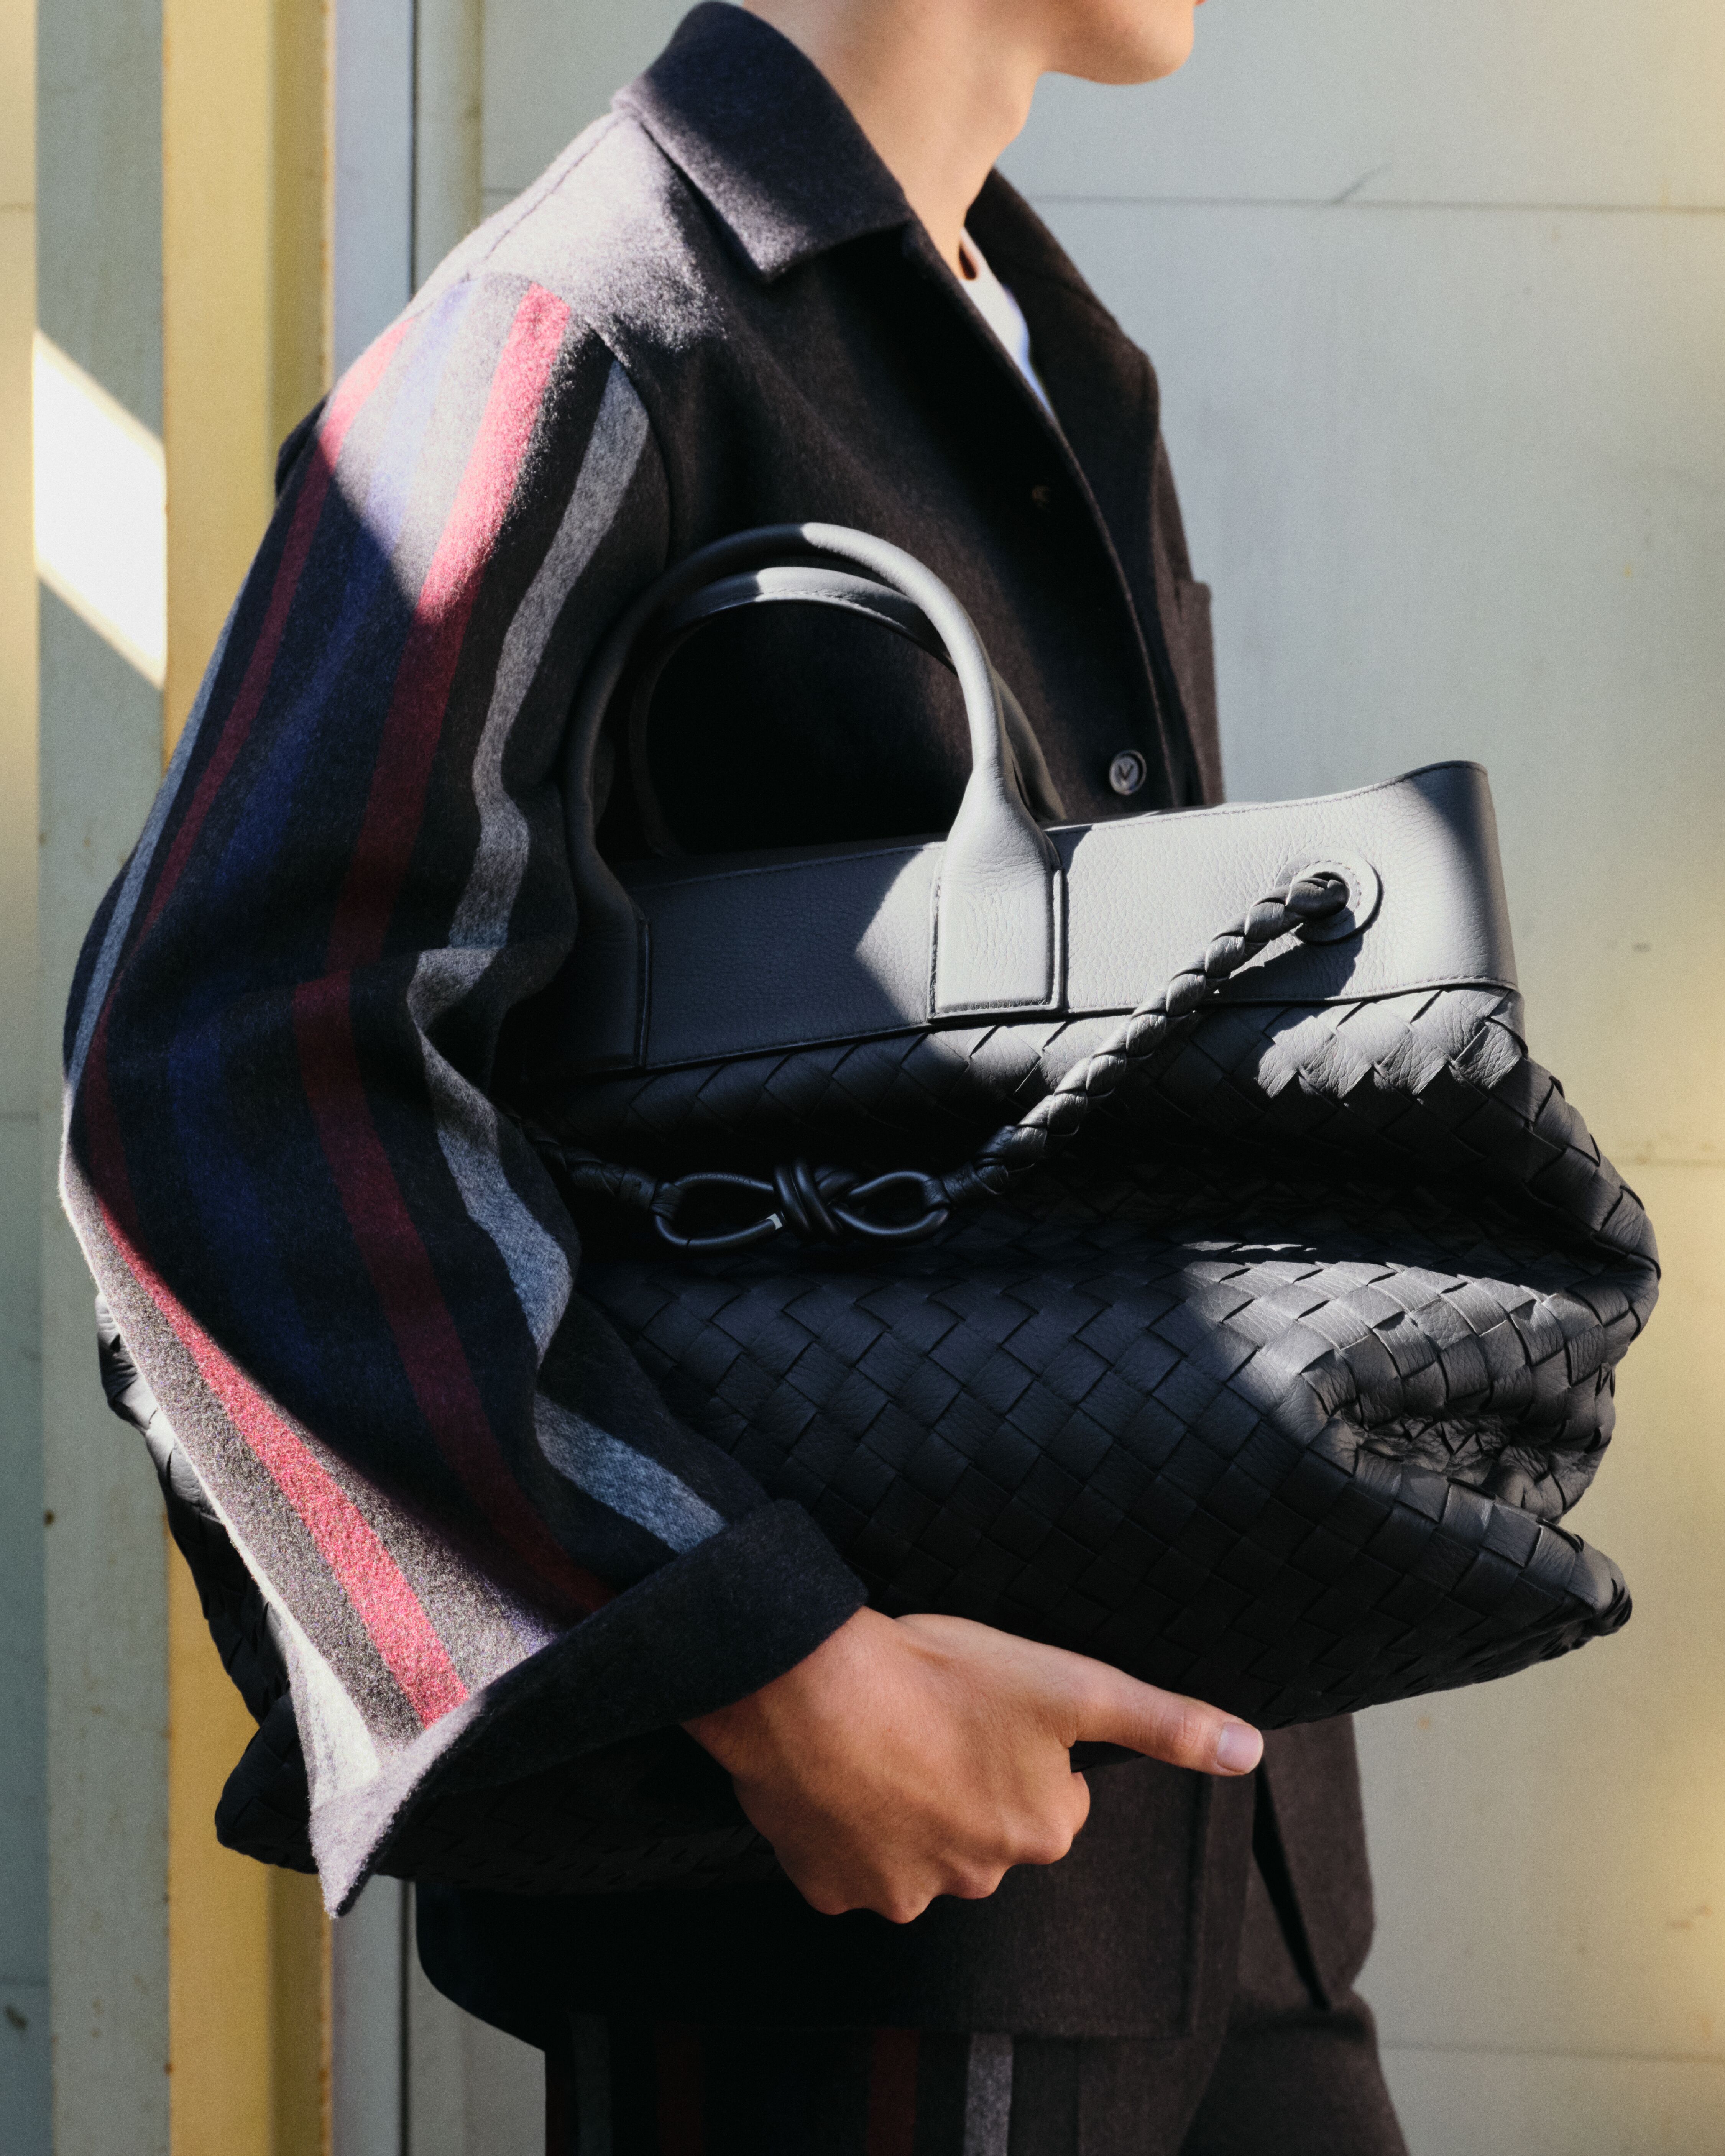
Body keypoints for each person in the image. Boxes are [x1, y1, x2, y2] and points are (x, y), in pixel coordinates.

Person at [63, 1, 1409, 2149]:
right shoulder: (579, 333)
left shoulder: (1046, 356)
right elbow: (224, 1084)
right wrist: (757, 1664)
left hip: (1216, 1878)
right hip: (852, 1930)